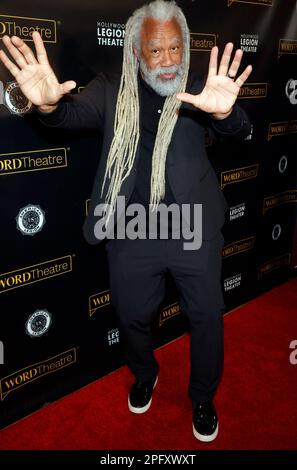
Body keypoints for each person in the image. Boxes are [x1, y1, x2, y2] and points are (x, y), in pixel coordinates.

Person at [0, 0, 252, 442]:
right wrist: (44, 106)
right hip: (133, 226)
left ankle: (202, 398)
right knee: (133, 314)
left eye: (177, 47)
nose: (169, 60)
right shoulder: (111, 89)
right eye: (156, 50)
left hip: (193, 224)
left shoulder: (201, 87)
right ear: (136, 52)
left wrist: (227, 114)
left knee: (208, 316)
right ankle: (143, 372)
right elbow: (67, 114)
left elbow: (239, 128)